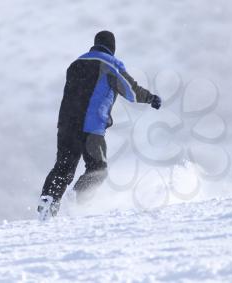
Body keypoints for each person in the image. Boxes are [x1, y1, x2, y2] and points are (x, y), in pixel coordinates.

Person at [38, 31, 161, 220]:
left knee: (63, 167)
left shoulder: (76, 63)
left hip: (65, 126)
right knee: (98, 169)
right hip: (91, 129)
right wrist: (150, 98)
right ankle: (78, 201)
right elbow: (131, 91)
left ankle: (47, 205)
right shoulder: (110, 64)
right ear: (112, 47)